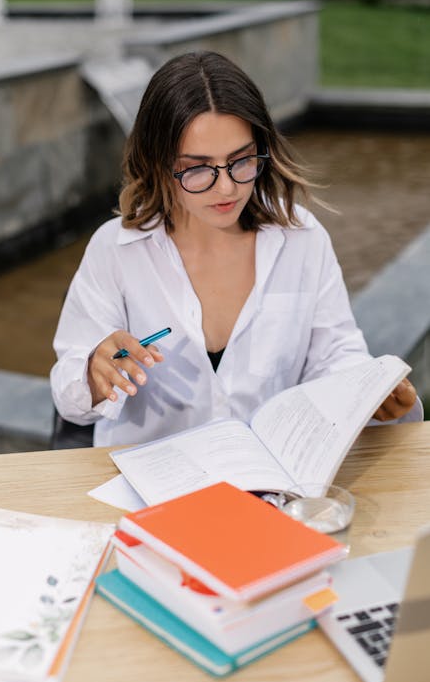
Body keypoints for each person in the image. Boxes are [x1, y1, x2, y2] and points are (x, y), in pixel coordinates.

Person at [50, 50, 421, 448]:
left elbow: (335, 356)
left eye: (242, 160)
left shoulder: (302, 237)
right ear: (157, 163)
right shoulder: (115, 250)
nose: (227, 188)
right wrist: (93, 372)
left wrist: (370, 390)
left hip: (272, 483)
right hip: (147, 490)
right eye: (197, 168)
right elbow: (68, 394)